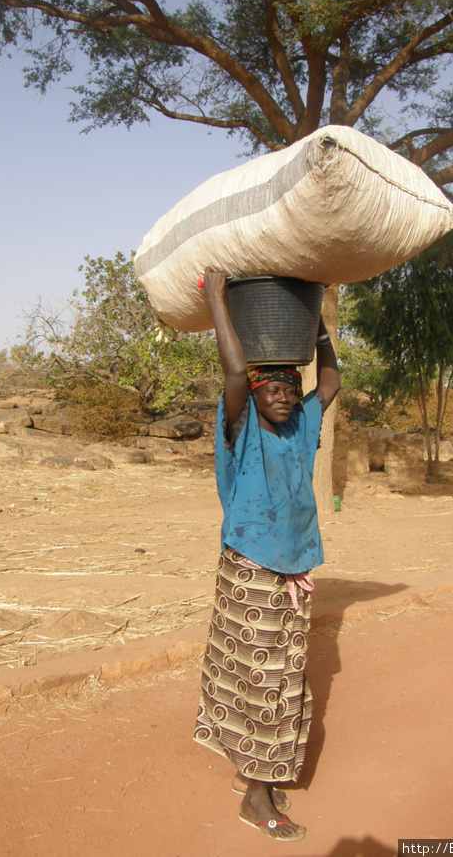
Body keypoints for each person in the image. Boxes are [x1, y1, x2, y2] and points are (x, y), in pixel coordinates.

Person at [193, 268, 340, 843]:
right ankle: (258, 796)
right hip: (252, 566)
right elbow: (234, 369)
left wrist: (318, 323)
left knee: (279, 674)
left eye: (287, 387)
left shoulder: (300, 424)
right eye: (269, 389)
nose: (282, 396)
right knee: (262, 677)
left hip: (293, 565)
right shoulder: (240, 427)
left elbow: (328, 382)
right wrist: (217, 299)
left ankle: (251, 773)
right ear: (250, 396)